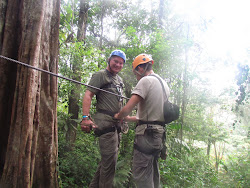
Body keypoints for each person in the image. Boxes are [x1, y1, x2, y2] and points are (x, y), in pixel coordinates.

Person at [114, 54, 170, 188]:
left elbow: (128, 108)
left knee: (141, 174)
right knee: (152, 172)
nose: (137, 77)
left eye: (136, 73)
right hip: (158, 135)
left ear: (140, 68)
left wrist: (119, 116)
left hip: (147, 135)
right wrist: (127, 118)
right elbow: (145, 116)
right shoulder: (163, 84)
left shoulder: (146, 81)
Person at [80, 50, 126, 188]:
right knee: (109, 167)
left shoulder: (119, 80)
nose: (118, 64)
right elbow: (88, 95)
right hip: (106, 125)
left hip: (116, 127)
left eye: (121, 63)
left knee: (106, 165)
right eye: (115, 61)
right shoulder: (100, 75)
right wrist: (85, 118)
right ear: (109, 60)